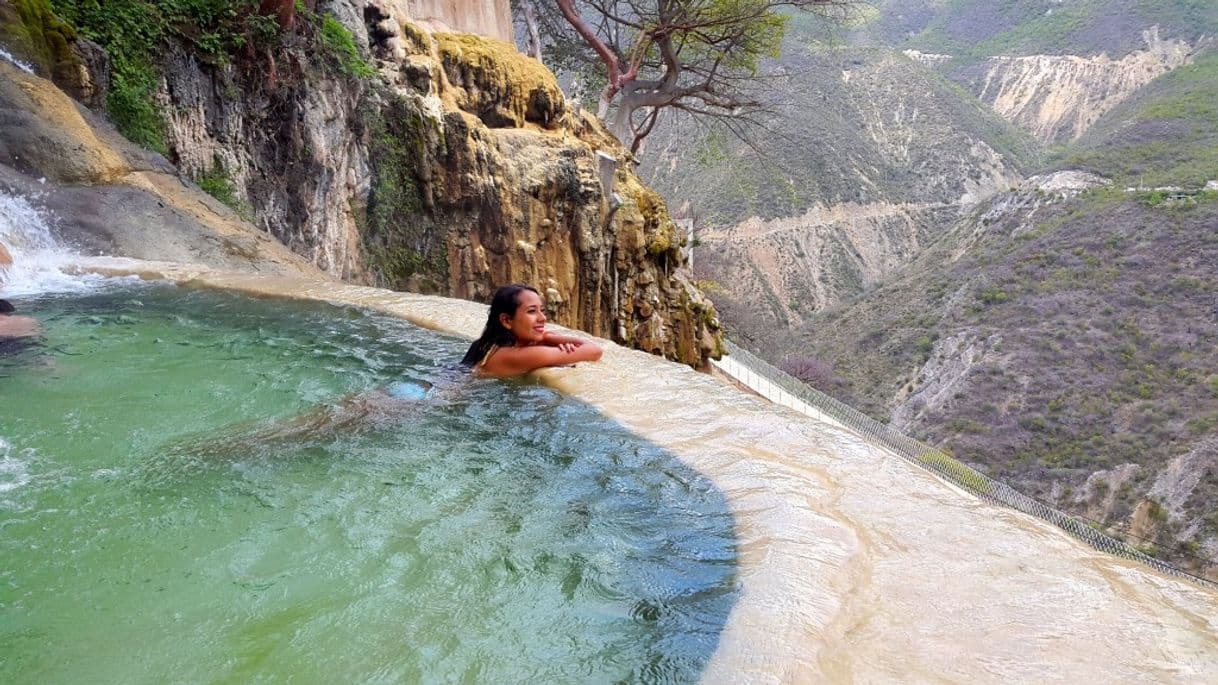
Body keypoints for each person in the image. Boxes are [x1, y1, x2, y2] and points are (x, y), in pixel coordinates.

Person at [460, 284, 602, 377]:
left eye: (542, 310)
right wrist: (549, 338)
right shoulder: (516, 355)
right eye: (532, 311)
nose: (543, 318)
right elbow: (594, 351)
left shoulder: (488, 345)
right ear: (507, 321)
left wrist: (544, 337)